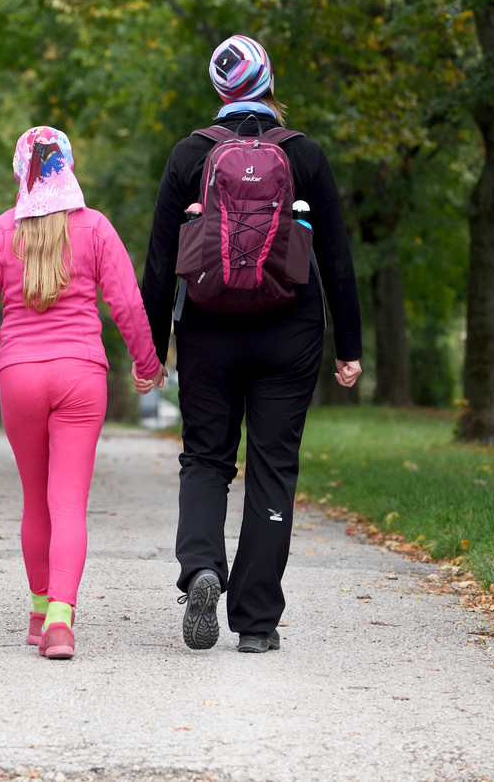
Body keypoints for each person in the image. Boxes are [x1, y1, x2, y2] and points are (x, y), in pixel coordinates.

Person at [141, 34, 364, 654]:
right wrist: (349, 344)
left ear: (219, 90)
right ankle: (257, 622)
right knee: (273, 467)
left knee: (206, 456)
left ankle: (202, 568)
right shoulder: (306, 155)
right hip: (290, 331)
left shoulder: (190, 155)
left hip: (208, 328)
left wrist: (152, 349)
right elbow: (338, 259)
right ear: (269, 83)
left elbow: (160, 263)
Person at [0, 126, 163, 660]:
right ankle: (61, 620)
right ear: (67, 166)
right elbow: (128, 306)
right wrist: (148, 363)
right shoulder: (95, 229)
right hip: (81, 376)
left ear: (21, 171)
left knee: (35, 498)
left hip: (19, 375)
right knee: (68, 502)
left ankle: (39, 608)